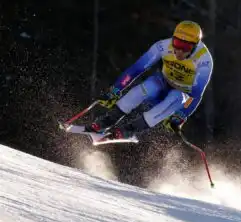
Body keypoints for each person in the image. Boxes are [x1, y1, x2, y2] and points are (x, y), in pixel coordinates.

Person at [85, 20, 214, 139]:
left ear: (195, 45)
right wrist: (116, 89)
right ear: (173, 39)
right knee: (148, 86)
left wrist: (181, 115)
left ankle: (130, 129)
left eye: (185, 47)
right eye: (177, 43)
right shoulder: (163, 46)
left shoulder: (204, 60)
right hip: (163, 82)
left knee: (174, 98)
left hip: (182, 93)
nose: (179, 51)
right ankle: (106, 121)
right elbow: (137, 68)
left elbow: (195, 94)